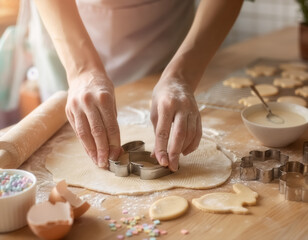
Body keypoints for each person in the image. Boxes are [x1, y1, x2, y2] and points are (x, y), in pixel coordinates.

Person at [33, 0, 244, 172]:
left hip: (164, 26)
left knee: (171, 112)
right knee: (69, 130)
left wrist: (182, 75)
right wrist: (80, 69)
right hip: (67, 23)